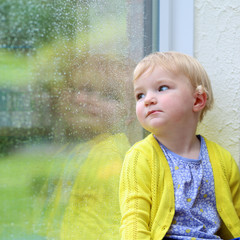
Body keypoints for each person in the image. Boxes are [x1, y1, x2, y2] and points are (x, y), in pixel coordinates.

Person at [119, 51, 240, 240]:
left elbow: (236, 216)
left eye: (162, 87)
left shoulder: (222, 160)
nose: (148, 99)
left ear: (198, 100)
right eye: (140, 95)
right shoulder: (140, 157)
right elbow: (134, 220)